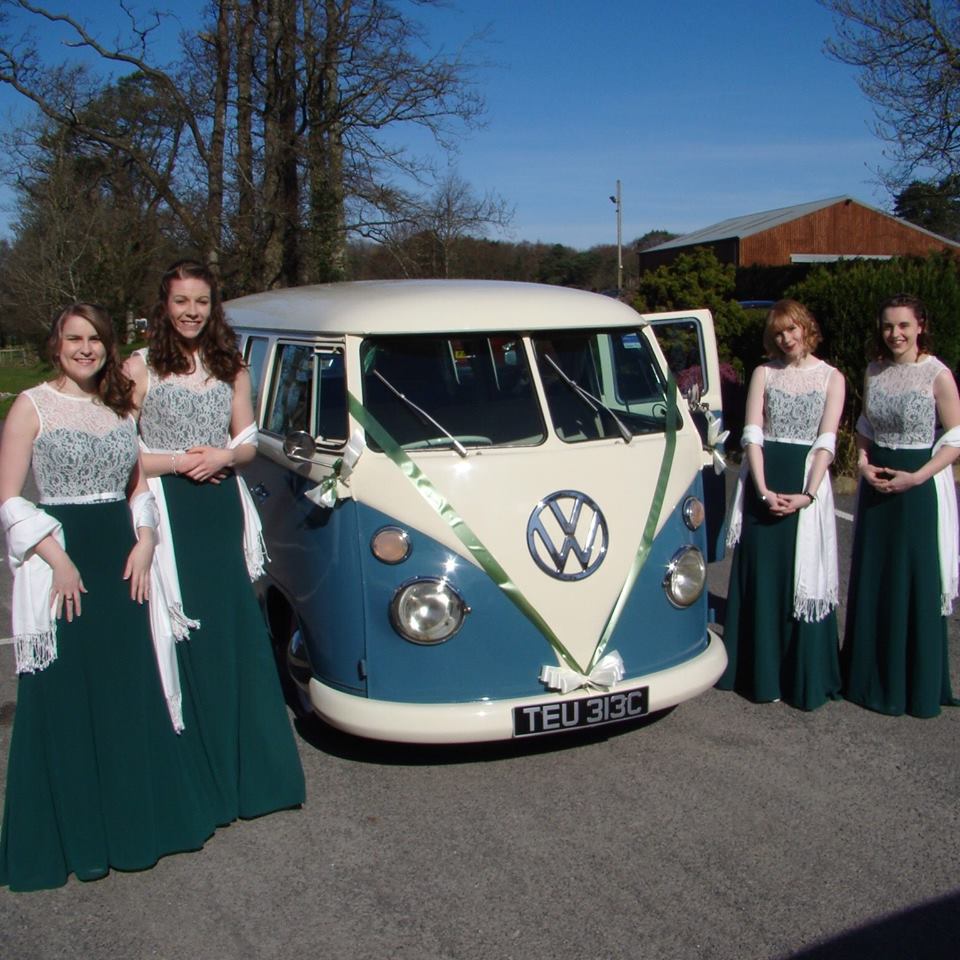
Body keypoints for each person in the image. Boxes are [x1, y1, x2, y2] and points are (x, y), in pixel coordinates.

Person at [0, 304, 215, 891]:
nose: (86, 348)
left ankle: (137, 827)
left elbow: (138, 488)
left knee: (127, 687)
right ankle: (77, 839)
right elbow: (10, 501)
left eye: (95, 339)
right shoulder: (31, 406)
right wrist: (58, 560)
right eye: (75, 338)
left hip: (123, 563)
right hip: (63, 564)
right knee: (65, 694)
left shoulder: (119, 406)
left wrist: (145, 541)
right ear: (56, 344)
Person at [124, 260, 304, 822]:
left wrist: (225, 455)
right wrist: (182, 461)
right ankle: (193, 777)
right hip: (168, 513)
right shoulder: (140, 367)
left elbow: (247, 441)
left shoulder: (232, 367)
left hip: (221, 509)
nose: (191, 312)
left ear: (212, 306)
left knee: (231, 630)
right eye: (181, 301)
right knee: (182, 631)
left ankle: (253, 776)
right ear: (164, 304)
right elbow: (121, 450)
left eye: (201, 302)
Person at [718, 300, 845, 709]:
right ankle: (760, 676)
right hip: (764, 482)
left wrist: (808, 494)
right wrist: (761, 487)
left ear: (807, 328)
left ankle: (800, 676)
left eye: (792, 330)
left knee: (799, 578)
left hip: (806, 484)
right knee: (763, 578)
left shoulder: (832, 377)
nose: (785, 339)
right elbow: (752, 432)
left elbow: (827, 440)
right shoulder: (763, 372)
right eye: (777, 333)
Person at [842, 294, 960, 717]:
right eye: (889, 326)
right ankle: (868, 678)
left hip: (918, 483)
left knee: (914, 579)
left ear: (920, 326)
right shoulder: (875, 371)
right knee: (876, 576)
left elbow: (956, 436)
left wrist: (919, 476)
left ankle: (914, 685)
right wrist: (861, 462)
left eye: (904, 326)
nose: (895, 334)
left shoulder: (937, 374)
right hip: (878, 482)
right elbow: (865, 425)